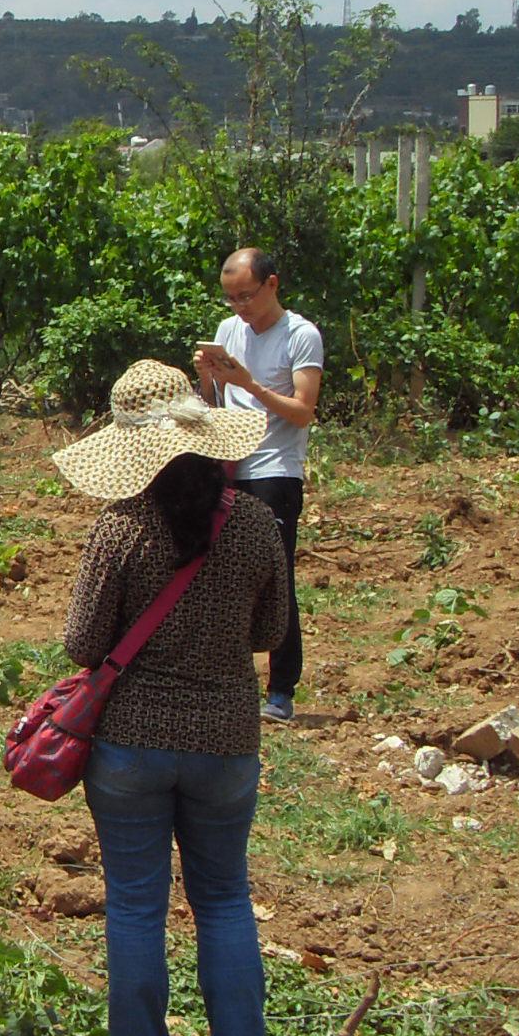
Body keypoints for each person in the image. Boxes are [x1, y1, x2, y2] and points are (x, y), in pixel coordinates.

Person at [56, 360, 290, 1036]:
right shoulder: (255, 524)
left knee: (134, 905)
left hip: (130, 747)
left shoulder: (120, 528)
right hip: (227, 741)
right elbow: (270, 632)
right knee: (223, 900)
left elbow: (83, 642)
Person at [193, 248, 323, 724]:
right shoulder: (229, 331)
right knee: (224, 576)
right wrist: (209, 380)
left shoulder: (301, 335)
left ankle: (282, 689)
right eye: (230, 299)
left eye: (245, 296)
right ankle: (228, 680)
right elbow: (216, 403)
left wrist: (248, 384)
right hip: (231, 464)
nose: (238, 308)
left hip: (275, 468)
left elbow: (303, 410)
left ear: (272, 284)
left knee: (274, 575)